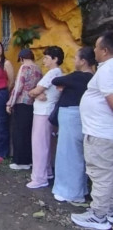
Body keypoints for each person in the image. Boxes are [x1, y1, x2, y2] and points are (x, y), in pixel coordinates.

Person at [71, 31, 113, 230]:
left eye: (97, 47)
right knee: (107, 174)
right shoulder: (108, 68)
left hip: (100, 134)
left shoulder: (107, 70)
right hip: (103, 132)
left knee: (100, 174)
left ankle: (98, 216)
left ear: (104, 50)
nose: (94, 50)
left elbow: (111, 100)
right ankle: (108, 212)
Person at [51, 47, 95, 203]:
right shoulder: (92, 77)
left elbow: (56, 81)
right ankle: (79, 189)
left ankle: (70, 192)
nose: (74, 61)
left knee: (68, 155)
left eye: (76, 58)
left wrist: (66, 85)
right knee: (76, 155)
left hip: (71, 116)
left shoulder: (79, 76)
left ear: (83, 61)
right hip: (78, 117)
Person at [26, 46, 63, 189]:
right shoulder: (56, 73)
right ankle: (46, 172)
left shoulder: (52, 73)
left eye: (47, 58)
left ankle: (39, 178)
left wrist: (34, 93)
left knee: (39, 145)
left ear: (55, 59)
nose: (45, 60)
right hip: (46, 111)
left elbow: (35, 90)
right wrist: (36, 93)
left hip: (43, 112)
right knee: (45, 144)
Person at [6, 49, 42, 170]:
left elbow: (18, 88)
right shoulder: (38, 69)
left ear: (21, 58)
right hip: (32, 103)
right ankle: (29, 160)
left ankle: (20, 161)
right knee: (28, 132)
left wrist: (10, 103)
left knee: (19, 132)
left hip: (21, 102)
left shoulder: (24, 68)